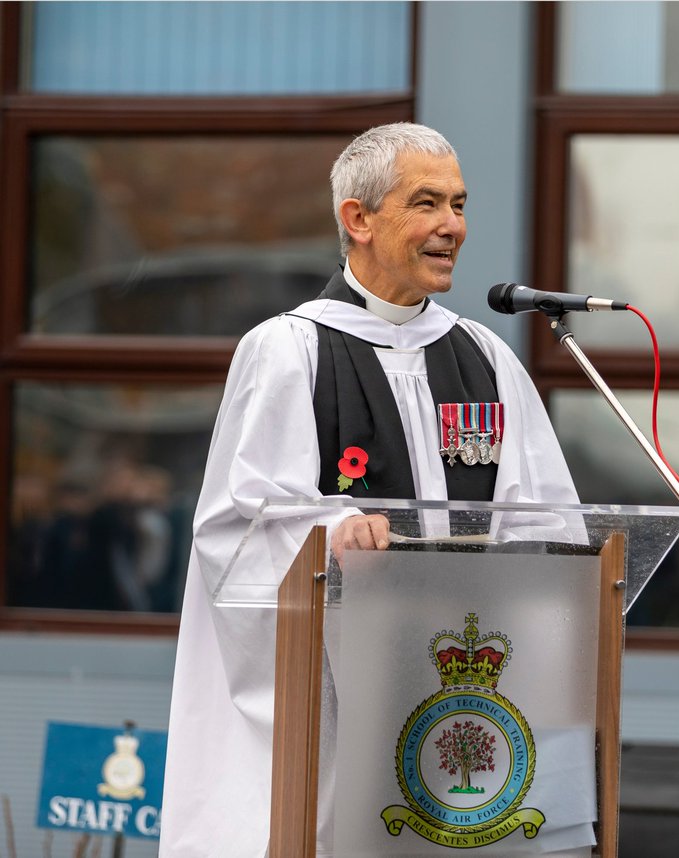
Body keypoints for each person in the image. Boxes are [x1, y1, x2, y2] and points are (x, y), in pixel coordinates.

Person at [160, 123, 578, 857]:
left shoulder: (484, 357)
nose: (453, 225)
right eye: (426, 203)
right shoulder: (289, 350)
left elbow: (551, 523)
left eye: (458, 203)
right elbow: (236, 529)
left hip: (464, 702)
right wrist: (329, 534)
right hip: (329, 711)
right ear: (358, 218)